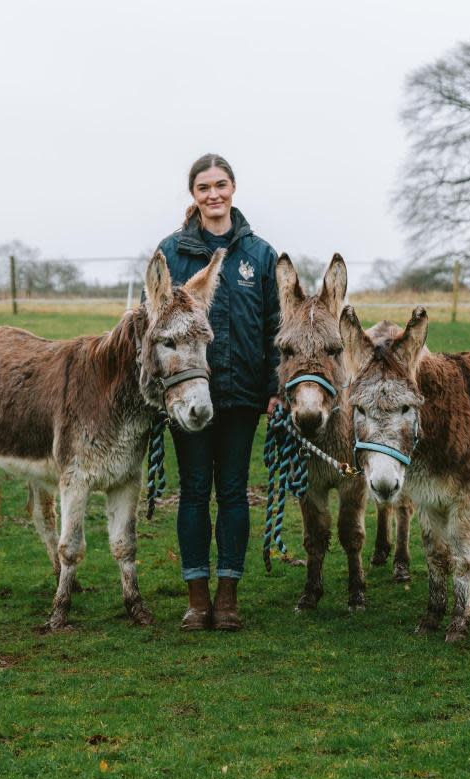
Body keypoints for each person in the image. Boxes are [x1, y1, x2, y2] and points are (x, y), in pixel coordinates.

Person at [154, 153, 279, 631]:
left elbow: (275, 326)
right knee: (192, 492)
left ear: (233, 188)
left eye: (221, 185)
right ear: (193, 195)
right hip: (187, 397)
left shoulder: (260, 255)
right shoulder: (171, 252)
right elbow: (154, 326)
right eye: (204, 187)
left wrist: (273, 388)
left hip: (242, 394)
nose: (214, 194)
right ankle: (196, 599)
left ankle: (228, 599)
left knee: (232, 493)